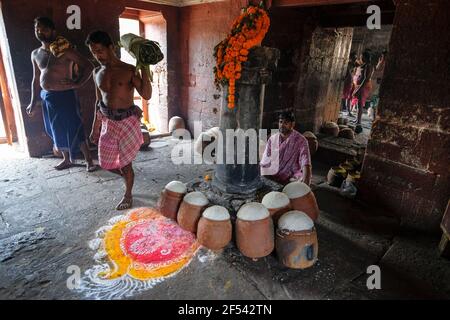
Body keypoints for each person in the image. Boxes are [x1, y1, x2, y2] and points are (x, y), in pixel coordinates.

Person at [86, 31, 152, 210]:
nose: (97, 56)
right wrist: (95, 126)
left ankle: (128, 194)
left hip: (126, 123)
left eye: (100, 51)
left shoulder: (128, 70)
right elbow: (98, 101)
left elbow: (146, 94)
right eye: (93, 52)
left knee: (126, 163)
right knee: (106, 163)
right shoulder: (96, 72)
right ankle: (127, 176)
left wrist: (144, 67)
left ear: (111, 48)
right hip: (108, 122)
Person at [26, 17, 96, 171]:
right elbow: (35, 79)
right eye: (37, 29)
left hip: (66, 95)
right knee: (55, 128)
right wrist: (32, 101)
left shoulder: (65, 51)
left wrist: (77, 83)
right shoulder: (35, 54)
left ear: (53, 31)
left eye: (44, 29)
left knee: (75, 127)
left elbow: (89, 66)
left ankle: (89, 160)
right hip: (47, 97)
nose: (40, 32)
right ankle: (66, 159)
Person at [260, 111, 312, 186]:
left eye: (286, 123)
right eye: (281, 122)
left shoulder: (301, 141)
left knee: (298, 182)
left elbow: (306, 163)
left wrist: (306, 186)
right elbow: (265, 161)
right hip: (274, 174)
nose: (282, 125)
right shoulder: (272, 139)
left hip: (292, 176)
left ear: (293, 124)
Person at [352, 50, 375, 133]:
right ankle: (357, 119)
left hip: (363, 86)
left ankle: (358, 122)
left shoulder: (367, 66)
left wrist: (358, 88)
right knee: (359, 104)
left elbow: (365, 78)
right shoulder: (365, 65)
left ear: (365, 57)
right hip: (361, 86)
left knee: (360, 104)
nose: (360, 58)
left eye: (362, 56)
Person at [342, 52, 359, 117]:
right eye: (354, 58)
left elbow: (358, 65)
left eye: (356, 58)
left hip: (351, 82)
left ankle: (349, 111)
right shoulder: (348, 65)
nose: (355, 59)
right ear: (350, 58)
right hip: (347, 82)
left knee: (349, 97)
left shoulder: (354, 65)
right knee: (344, 96)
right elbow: (346, 74)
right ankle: (344, 109)